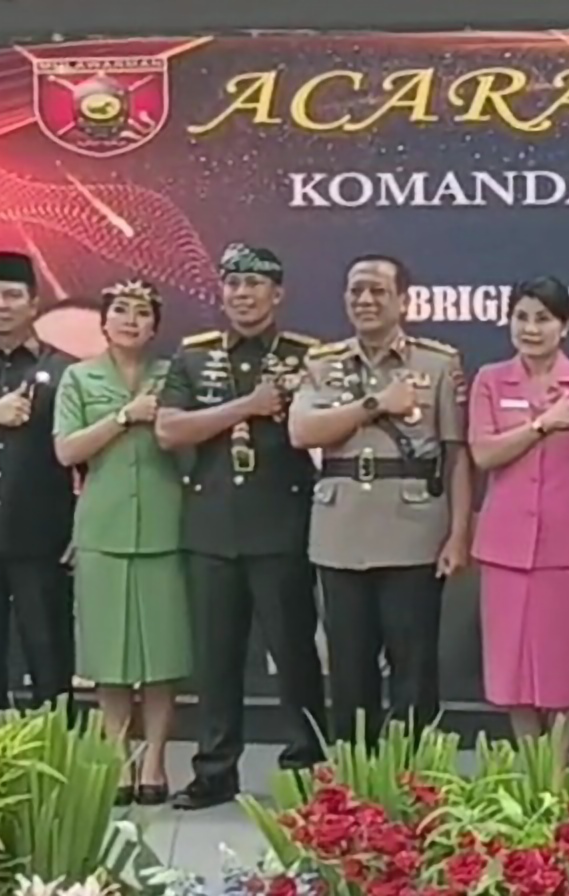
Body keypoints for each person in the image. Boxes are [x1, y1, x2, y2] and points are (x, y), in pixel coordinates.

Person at [155, 242, 327, 809]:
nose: (242, 294)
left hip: (282, 526)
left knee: (295, 656)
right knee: (216, 660)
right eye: (232, 284)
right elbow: (169, 430)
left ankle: (305, 767)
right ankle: (214, 771)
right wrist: (246, 407)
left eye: (254, 284)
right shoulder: (194, 355)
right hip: (211, 528)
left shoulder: (308, 356)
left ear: (277, 294)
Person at [288, 254, 472, 746]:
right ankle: (354, 776)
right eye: (356, 291)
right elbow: (302, 431)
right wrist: (375, 405)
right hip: (341, 534)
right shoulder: (323, 363)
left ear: (403, 301)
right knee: (349, 669)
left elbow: (456, 455)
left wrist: (459, 534)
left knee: (414, 669)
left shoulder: (437, 363)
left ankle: (413, 774)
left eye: (378, 291)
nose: (365, 300)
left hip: (413, 532)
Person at [52, 281, 189, 806]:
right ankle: (118, 758)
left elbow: (189, 444)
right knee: (109, 657)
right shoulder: (78, 378)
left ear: (155, 325)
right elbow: (68, 451)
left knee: (162, 656)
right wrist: (125, 416)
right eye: (121, 311)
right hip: (102, 529)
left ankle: (154, 761)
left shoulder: (174, 376)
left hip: (166, 526)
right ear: (103, 321)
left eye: (142, 313)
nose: (131, 320)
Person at [467, 276, 569, 762]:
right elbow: (484, 454)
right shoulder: (490, 380)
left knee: (562, 673)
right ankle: (532, 771)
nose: (531, 329)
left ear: (565, 326)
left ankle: (557, 775)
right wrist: (542, 424)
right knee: (511, 676)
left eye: (543, 319)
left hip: (567, 545)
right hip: (505, 546)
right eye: (521, 317)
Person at [0, 250, 76, 732]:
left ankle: (57, 761)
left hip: (42, 544)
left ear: (34, 304)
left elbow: (86, 458)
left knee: (51, 665)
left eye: (11, 295)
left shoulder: (66, 371)